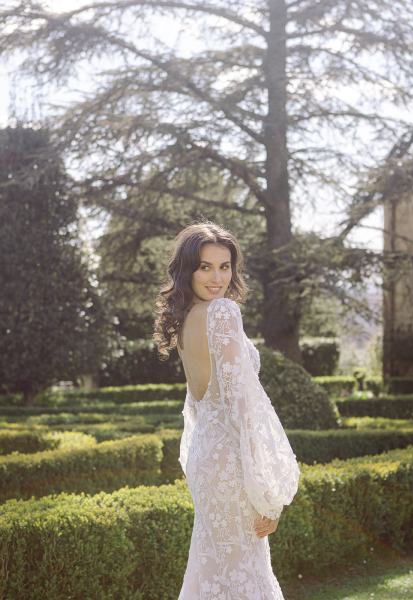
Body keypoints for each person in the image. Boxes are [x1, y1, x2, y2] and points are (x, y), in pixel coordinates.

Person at [154, 220, 301, 599]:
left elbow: (199, 404)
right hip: (230, 462)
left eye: (224, 266)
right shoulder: (221, 313)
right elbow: (243, 407)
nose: (217, 277)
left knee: (214, 569)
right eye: (205, 267)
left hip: (208, 456)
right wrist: (267, 490)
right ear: (188, 269)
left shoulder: (185, 315)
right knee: (245, 573)